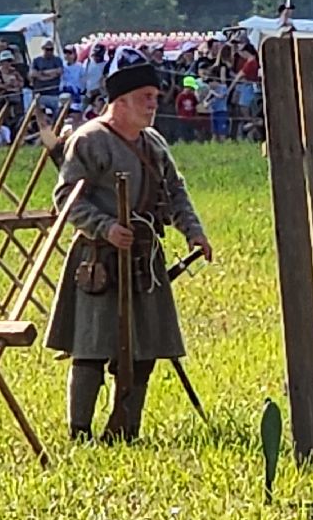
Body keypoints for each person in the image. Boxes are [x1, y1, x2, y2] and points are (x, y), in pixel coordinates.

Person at [44, 46, 213, 441]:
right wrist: (104, 228)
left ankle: (123, 431)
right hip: (99, 260)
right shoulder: (89, 140)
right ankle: (80, 432)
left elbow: (175, 192)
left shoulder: (153, 143)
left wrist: (194, 231)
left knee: (144, 349)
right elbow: (66, 198)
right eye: (146, 98)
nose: (154, 104)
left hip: (144, 260)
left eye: (155, 97)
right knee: (92, 347)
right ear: (120, 102)